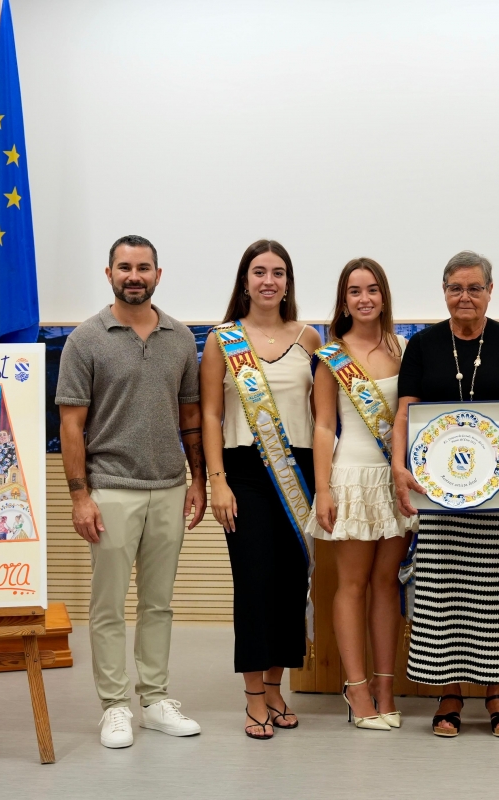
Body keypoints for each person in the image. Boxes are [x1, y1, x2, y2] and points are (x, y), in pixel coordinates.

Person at [57, 234, 207, 749]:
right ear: (109, 274)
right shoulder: (85, 340)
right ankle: (115, 707)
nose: (134, 275)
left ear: (158, 275)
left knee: (159, 604)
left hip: (169, 487)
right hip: (110, 491)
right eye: (125, 267)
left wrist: (199, 480)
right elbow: (71, 426)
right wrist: (80, 497)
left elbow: (191, 416)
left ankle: (156, 699)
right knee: (107, 607)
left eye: (144, 267)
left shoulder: (182, 338)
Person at [392, 250, 499, 738]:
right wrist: (398, 466)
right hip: (439, 493)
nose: (465, 297)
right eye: (456, 288)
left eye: (474, 288)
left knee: (496, 594)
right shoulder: (423, 345)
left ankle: (496, 691)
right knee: (444, 593)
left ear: (490, 291)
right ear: (444, 292)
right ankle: (450, 692)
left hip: (498, 492)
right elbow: (404, 413)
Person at [199, 239, 322, 740]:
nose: (268, 280)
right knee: (254, 583)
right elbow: (209, 413)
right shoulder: (222, 340)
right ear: (244, 281)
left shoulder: (311, 338)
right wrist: (217, 482)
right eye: (259, 272)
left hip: (301, 471)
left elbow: (323, 415)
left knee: (293, 583)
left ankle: (276, 687)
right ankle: (253, 698)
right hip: (243, 472)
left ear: (288, 281)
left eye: (278, 272)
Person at [308, 258, 417, 731]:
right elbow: (323, 425)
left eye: (372, 289)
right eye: (355, 291)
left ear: (384, 295)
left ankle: (385, 686)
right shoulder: (332, 355)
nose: (365, 298)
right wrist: (323, 488)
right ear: (344, 299)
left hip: (394, 481)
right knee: (351, 583)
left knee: (386, 584)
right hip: (351, 478)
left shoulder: (405, 348)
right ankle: (356, 690)